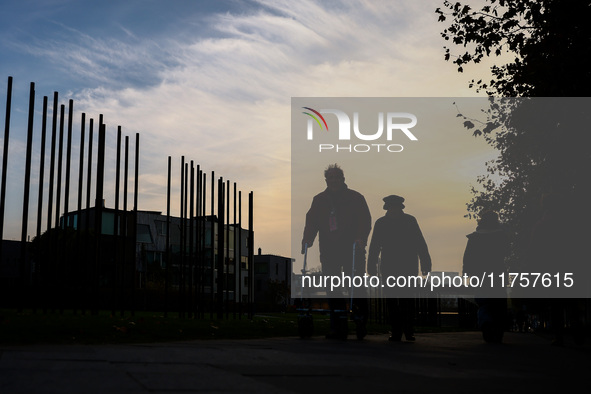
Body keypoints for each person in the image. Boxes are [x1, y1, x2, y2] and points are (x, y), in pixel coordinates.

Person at [301, 164, 372, 339]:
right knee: (332, 288)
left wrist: (361, 238)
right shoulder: (319, 200)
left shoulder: (355, 198)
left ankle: (360, 319)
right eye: (330, 178)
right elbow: (311, 222)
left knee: (355, 286)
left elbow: (365, 220)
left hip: (352, 249)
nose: (333, 181)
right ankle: (338, 326)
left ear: (342, 179)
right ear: (326, 180)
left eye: (336, 177)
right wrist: (307, 239)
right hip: (329, 249)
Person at [367, 195, 431, 342]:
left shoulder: (409, 221)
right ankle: (398, 331)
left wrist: (426, 264)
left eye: (394, 207)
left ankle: (408, 331)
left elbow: (420, 243)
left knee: (406, 300)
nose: (393, 210)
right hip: (391, 266)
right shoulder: (383, 223)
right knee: (393, 301)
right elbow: (374, 247)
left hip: (406, 266)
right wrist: (371, 266)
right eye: (391, 207)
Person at [462, 210, 509, 343]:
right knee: (499, 303)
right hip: (497, 272)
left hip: (480, 274)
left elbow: (468, 257)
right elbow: (506, 252)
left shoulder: (474, 237)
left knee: (483, 302)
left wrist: (467, 273)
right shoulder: (501, 235)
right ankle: (498, 330)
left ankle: (486, 326)